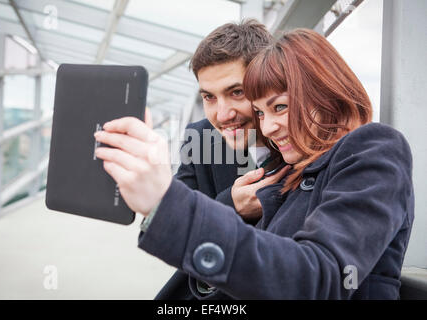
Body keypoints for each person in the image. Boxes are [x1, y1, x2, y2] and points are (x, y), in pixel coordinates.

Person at [94, 28, 414, 299]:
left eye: (279, 106)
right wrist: (226, 205)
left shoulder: (370, 148)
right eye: (261, 112)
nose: (268, 126)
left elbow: (314, 276)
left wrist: (167, 202)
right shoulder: (292, 162)